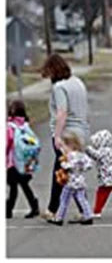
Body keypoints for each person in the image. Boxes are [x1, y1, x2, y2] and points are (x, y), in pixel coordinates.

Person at [39, 53, 89, 221]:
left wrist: (58, 136)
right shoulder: (77, 82)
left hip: (67, 133)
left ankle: (53, 210)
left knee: (61, 171)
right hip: (82, 131)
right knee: (74, 171)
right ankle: (83, 209)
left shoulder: (59, 87)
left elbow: (62, 112)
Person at [50, 129, 93, 225]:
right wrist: (83, 168)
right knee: (81, 198)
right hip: (80, 180)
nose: (63, 148)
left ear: (70, 145)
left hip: (71, 182)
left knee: (64, 199)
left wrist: (64, 164)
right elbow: (89, 164)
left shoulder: (71, 156)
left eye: (64, 146)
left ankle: (59, 218)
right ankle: (88, 215)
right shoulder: (81, 155)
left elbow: (69, 165)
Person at [6, 99, 41, 218]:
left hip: (12, 162)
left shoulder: (10, 127)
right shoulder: (25, 126)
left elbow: (7, 144)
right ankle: (33, 205)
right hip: (26, 162)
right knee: (23, 185)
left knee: (13, 186)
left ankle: (8, 209)